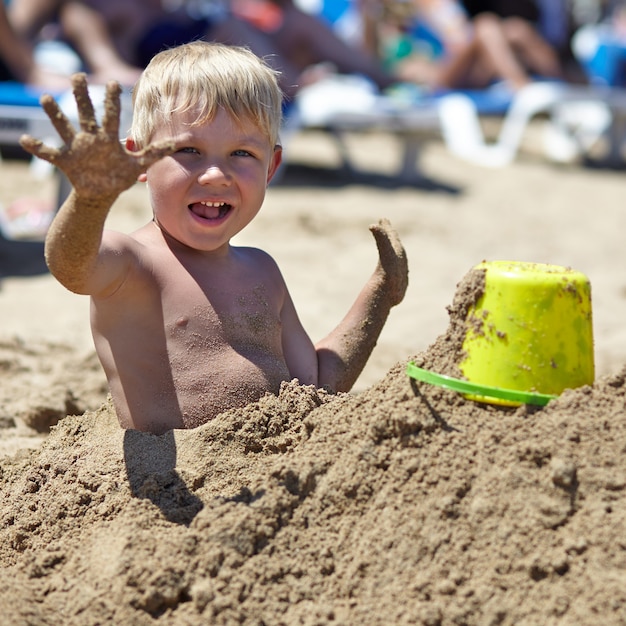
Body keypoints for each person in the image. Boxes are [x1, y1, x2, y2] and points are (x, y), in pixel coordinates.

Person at [19, 41, 409, 434]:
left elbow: (318, 387)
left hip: (281, 470)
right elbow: (70, 264)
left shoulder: (263, 271)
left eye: (241, 154)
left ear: (271, 167)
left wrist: (380, 293)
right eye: (189, 150)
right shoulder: (132, 262)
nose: (215, 175)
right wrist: (90, 200)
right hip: (178, 487)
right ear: (140, 159)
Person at [373, 0, 563, 90]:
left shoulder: (442, 6)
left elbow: (458, 38)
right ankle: (523, 89)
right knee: (486, 26)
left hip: (454, 66)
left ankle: (565, 84)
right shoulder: (398, 11)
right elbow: (391, 58)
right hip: (435, 76)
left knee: (516, 29)